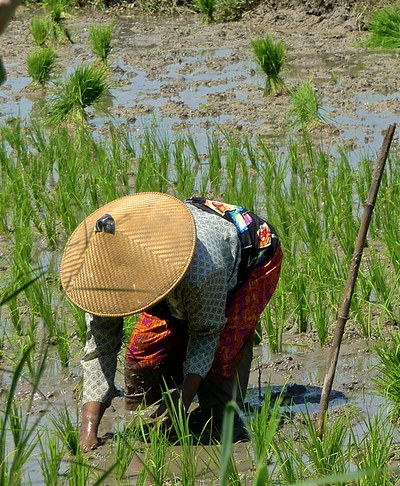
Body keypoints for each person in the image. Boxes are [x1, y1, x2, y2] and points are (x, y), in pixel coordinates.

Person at [60, 192, 283, 451]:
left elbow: (206, 333)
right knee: (143, 355)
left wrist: (184, 398)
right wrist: (89, 426)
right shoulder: (100, 273)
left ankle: (222, 414)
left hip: (251, 254)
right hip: (178, 276)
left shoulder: (202, 271)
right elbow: (101, 346)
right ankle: (156, 410)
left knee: (223, 355)